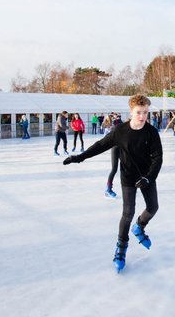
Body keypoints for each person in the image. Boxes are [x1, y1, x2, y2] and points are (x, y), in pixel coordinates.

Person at [63, 94, 162, 273]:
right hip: (128, 178)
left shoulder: (151, 132)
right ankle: (121, 249)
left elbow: (158, 158)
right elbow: (100, 145)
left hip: (147, 176)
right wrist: (80, 157)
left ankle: (139, 227)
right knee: (128, 212)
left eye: (146, 112)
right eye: (139, 112)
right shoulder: (120, 131)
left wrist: (149, 177)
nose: (142, 116)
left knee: (153, 207)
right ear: (131, 112)